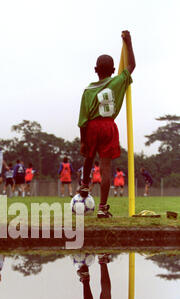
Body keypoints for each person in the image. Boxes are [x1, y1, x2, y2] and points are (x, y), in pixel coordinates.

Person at [78, 30, 136, 218]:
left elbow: (83, 121)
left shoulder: (88, 90)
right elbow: (132, 65)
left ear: (95, 70)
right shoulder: (118, 81)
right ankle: (103, 208)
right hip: (109, 126)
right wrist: (129, 42)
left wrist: (83, 141)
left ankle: (84, 184)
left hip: (93, 126)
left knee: (88, 156)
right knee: (105, 168)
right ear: (112, 71)